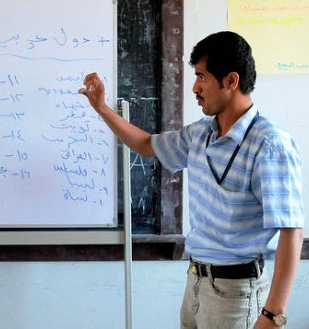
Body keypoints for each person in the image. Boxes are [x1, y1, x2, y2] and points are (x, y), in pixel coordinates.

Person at [79, 31, 304, 328]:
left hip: (237, 294)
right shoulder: (201, 133)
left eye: (202, 77)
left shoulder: (269, 144)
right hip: (197, 283)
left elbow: (291, 230)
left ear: (231, 81)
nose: (195, 88)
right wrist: (102, 109)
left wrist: (273, 315)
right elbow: (147, 144)